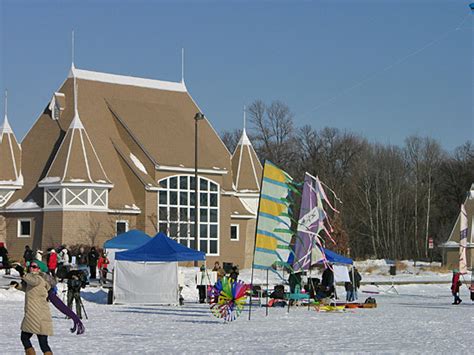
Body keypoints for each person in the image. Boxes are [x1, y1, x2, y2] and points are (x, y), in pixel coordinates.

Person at [13, 261, 54, 355]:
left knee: (26, 338)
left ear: (39, 269)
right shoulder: (36, 280)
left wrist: (22, 272)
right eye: (31, 266)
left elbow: (33, 281)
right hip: (37, 315)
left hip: (36, 315)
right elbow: (28, 288)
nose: (31, 268)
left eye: (34, 266)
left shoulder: (38, 278)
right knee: (42, 343)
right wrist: (18, 286)